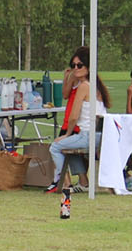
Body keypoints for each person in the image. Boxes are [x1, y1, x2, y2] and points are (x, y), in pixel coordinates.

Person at [46, 47, 109, 193]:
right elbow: (66, 94)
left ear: (88, 66)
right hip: (101, 134)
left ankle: (65, 184)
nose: (75, 68)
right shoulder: (95, 86)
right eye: (73, 65)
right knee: (68, 147)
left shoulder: (84, 87)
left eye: (79, 65)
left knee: (55, 147)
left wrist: (67, 134)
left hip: (89, 135)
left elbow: (74, 115)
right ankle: (83, 181)